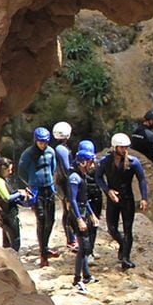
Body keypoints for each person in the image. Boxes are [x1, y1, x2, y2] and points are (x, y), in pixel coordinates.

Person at [96, 132, 149, 270]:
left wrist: (144, 198)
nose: (124, 150)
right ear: (115, 147)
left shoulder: (133, 162)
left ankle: (126, 258)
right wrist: (108, 191)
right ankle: (122, 245)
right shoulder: (106, 161)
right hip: (112, 198)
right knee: (111, 228)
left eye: (126, 147)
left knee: (128, 229)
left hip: (127, 198)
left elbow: (142, 179)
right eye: (121, 147)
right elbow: (98, 177)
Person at [18, 126, 60, 267]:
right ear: (36, 140)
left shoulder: (50, 152)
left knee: (51, 219)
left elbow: (53, 167)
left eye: (46, 142)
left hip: (49, 188)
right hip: (36, 190)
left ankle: (45, 245)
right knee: (41, 219)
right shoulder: (28, 154)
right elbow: (21, 171)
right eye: (41, 142)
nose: (43, 144)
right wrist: (30, 183)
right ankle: (43, 253)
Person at [67, 145, 99, 293]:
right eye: (90, 162)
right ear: (83, 162)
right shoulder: (74, 178)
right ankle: (77, 280)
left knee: (86, 247)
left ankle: (86, 275)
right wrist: (79, 219)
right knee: (83, 247)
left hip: (83, 210)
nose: (92, 165)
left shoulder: (81, 175)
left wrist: (91, 214)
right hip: (77, 213)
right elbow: (73, 200)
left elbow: (84, 198)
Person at [0, 157, 31, 251]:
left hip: (7, 215)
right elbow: (6, 198)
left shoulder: (3, 180)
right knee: (15, 244)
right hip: (8, 216)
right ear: (2, 169)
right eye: (9, 170)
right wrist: (19, 193)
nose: (11, 172)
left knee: (7, 243)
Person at [52, 120, 77, 251]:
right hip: (64, 184)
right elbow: (67, 169)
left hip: (60, 183)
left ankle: (71, 238)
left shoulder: (57, 148)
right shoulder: (61, 149)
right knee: (69, 211)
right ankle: (71, 239)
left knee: (67, 211)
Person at [79, 139, 103, 259]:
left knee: (92, 224)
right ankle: (87, 251)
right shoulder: (79, 166)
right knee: (88, 225)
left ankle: (90, 250)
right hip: (88, 196)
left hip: (93, 195)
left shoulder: (96, 164)